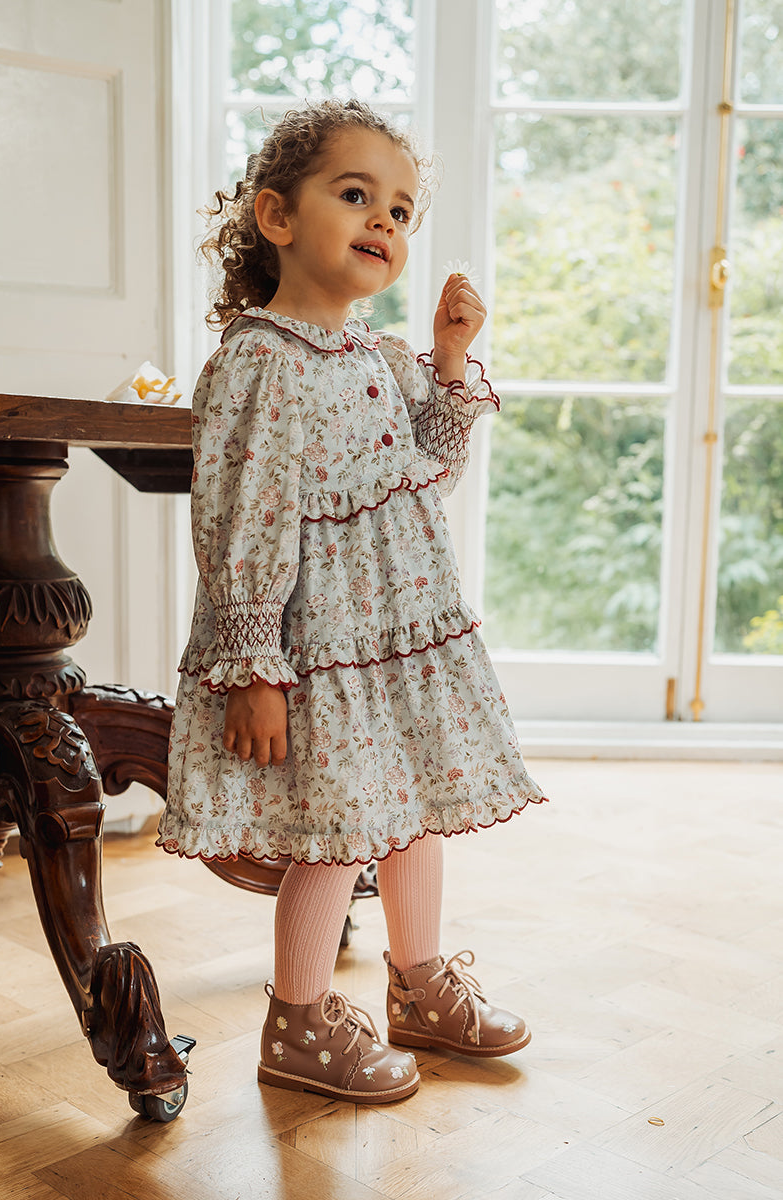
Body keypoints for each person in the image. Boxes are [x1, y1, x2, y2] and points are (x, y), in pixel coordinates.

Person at [157, 98, 546, 1104]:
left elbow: (428, 470)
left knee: (415, 812)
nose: (385, 220)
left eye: (402, 211)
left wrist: (448, 358)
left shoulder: (379, 357)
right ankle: (297, 1021)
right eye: (357, 194)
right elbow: (241, 519)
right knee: (338, 831)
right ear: (278, 217)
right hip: (318, 648)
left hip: (399, 639)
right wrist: (255, 667)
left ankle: (418, 984)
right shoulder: (259, 361)